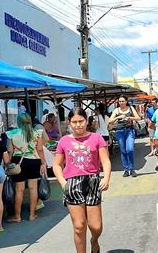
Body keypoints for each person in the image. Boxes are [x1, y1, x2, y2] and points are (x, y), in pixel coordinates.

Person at [52, 108, 111, 253]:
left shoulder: (97, 138)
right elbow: (56, 165)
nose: (78, 125)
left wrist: (107, 178)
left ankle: (94, 241)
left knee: (96, 226)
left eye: (81, 121)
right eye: (74, 122)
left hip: (92, 181)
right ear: (69, 123)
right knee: (79, 226)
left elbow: (105, 161)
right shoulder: (64, 141)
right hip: (72, 183)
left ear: (86, 121)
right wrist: (63, 182)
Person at [6, 113, 47, 222]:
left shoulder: (11, 133)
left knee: (19, 190)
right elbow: (40, 149)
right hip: (34, 161)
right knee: (33, 189)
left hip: (18, 162)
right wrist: (43, 163)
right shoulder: (37, 133)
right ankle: (32, 215)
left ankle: (17, 216)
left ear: (19, 122)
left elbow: (10, 150)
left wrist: (8, 163)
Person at [108, 96, 141, 177]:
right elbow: (110, 121)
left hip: (129, 130)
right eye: (120, 101)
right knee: (123, 151)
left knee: (130, 149)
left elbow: (138, 118)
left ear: (126, 101)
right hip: (119, 131)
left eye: (123, 101)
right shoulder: (116, 110)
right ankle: (126, 169)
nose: (121, 103)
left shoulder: (130, 108)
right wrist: (119, 117)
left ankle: (132, 169)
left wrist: (129, 117)